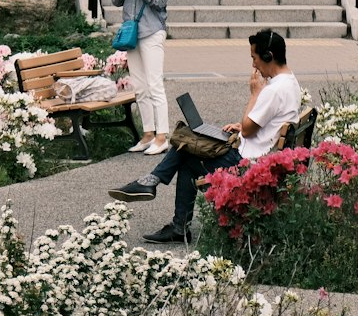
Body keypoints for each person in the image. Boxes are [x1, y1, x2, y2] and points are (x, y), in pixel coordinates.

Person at [109, 29, 302, 244]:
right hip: (259, 154)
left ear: (268, 57)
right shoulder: (290, 82)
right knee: (189, 142)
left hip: (248, 162)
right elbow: (264, 123)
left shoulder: (272, 90)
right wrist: (242, 126)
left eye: (254, 59)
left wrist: (255, 95)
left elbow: (248, 129)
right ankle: (159, 194)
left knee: (187, 153)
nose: (254, 65)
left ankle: (159, 195)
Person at [111, 0, 176, 158]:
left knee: (155, 84)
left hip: (152, 31)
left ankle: (162, 136)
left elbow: (159, 1)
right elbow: (117, 2)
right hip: (133, 34)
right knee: (139, 86)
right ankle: (148, 133)